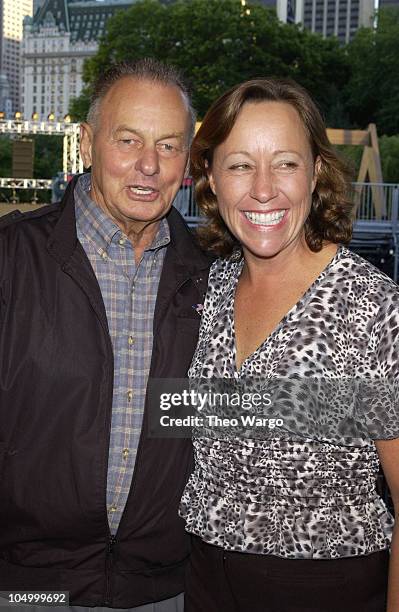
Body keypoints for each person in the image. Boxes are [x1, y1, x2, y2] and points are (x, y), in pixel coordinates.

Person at [179, 78, 399, 612]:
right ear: (210, 176)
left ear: (316, 171)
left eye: (284, 163)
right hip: (203, 579)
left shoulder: (373, 309)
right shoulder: (210, 288)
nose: (262, 188)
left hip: (327, 590)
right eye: (238, 165)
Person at [0, 59, 212, 610]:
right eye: (128, 140)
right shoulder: (11, 260)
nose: (148, 165)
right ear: (89, 143)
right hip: (29, 586)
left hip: (164, 589)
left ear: (186, 162)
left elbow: (257, 411)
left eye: (169, 146)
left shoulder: (216, 280)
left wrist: (368, 405)